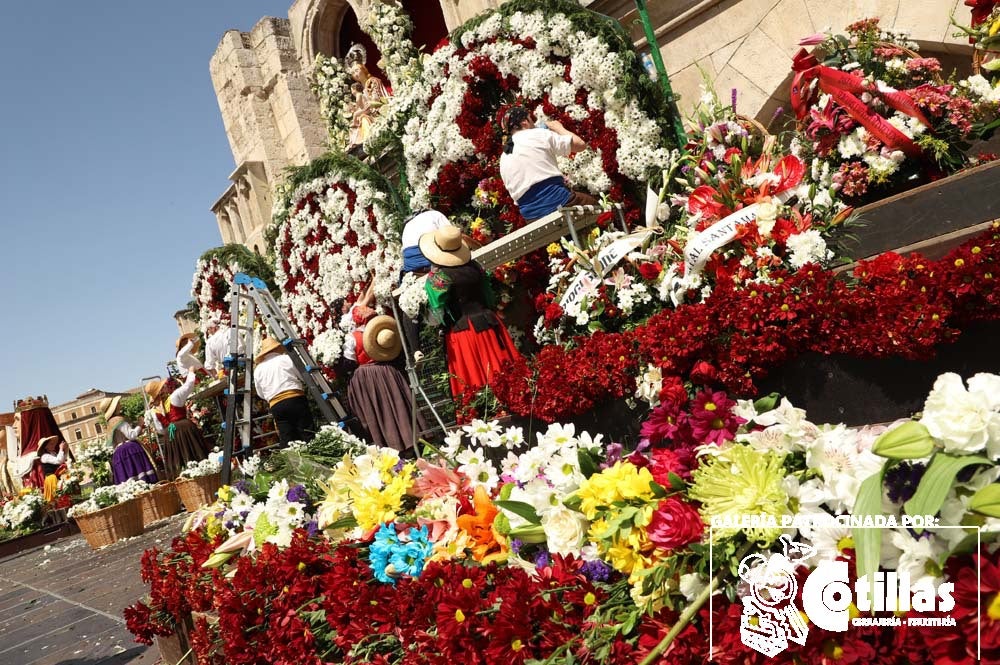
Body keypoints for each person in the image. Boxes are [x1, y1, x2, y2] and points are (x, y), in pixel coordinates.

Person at [421, 226, 524, 398]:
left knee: (476, 378)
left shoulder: (439, 278)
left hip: (465, 332)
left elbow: (437, 313)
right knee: (502, 369)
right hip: (489, 323)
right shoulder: (476, 267)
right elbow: (489, 297)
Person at [498, 104, 597, 221]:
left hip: (532, 218)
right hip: (559, 201)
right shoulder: (537, 134)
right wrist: (559, 128)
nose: (534, 124)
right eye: (532, 120)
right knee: (601, 208)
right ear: (524, 122)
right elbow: (580, 145)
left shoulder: (504, 156)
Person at [344, 311, 425, 453]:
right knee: (397, 406)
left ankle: (386, 444)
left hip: (365, 378)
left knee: (374, 411)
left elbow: (349, 362)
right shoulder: (385, 332)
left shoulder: (352, 338)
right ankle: (410, 440)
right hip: (388, 372)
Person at [253, 337, 316, 446]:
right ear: (277, 348)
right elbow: (302, 376)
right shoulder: (286, 359)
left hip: (276, 404)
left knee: (287, 438)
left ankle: (293, 461)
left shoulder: (258, 369)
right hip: (295, 398)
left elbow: (260, 393)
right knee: (307, 432)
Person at [145, 373, 209, 480]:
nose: (165, 386)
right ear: (162, 390)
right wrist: (191, 371)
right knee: (195, 453)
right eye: (163, 386)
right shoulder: (174, 397)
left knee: (178, 460)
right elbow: (189, 385)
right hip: (184, 428)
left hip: (170, 435)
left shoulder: (155, 410)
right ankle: (204, 477)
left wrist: (170, 428)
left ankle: (185, 481)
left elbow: (160, 429)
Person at [102, 396, 158, 484]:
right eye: (118, 403)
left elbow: (113, 444)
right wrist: (140, 424)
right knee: (140, 475)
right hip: (129, 451)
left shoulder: (110, 423)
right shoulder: (119, 420)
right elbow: (131, 435)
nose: (120, 404)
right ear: (115, 406)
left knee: (128, 479)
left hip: (118, 454)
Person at [344, 43, 390, 147]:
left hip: (378, 113)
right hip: (368, 113)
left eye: (357, 70)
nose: (356, 74)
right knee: (358, 122)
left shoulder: (373, 81)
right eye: (353, 73)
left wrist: (361, 112)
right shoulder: (359, 90)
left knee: (364, 119)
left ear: (363, 68)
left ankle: (369, 141)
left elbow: (377, 101)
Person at [36, 435, 69, 502]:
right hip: (52, 478)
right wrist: (61, 449)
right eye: (51, 444)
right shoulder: (45, 456)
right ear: (46, 447)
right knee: (55, 497)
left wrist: (64, 450)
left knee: (62, 496)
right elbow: (58, 461)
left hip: (57, 477)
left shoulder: (53, 453)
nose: (53, 445)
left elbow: (62, 460)